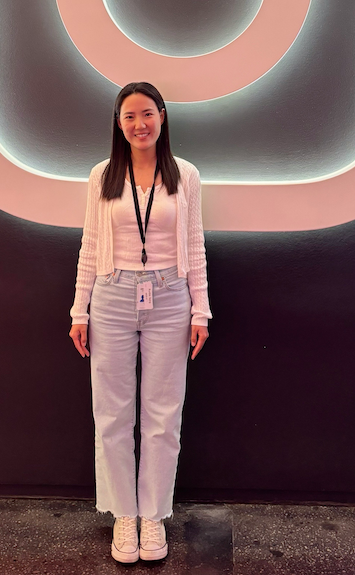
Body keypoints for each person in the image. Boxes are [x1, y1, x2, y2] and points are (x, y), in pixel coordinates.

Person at [69, 81, 211, 563]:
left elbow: (195, 245)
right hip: (111, 294)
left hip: (170, 296)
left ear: (163, 116)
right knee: (111, 412)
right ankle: (122, 516)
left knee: (163, 413)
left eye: (147, 114)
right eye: (129, 116)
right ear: (118, 123)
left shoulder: (185, 175)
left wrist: (200, 309)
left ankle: (153, 515)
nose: (139, 124)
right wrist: (79, 309)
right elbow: (90, 245)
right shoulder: (102, 175)